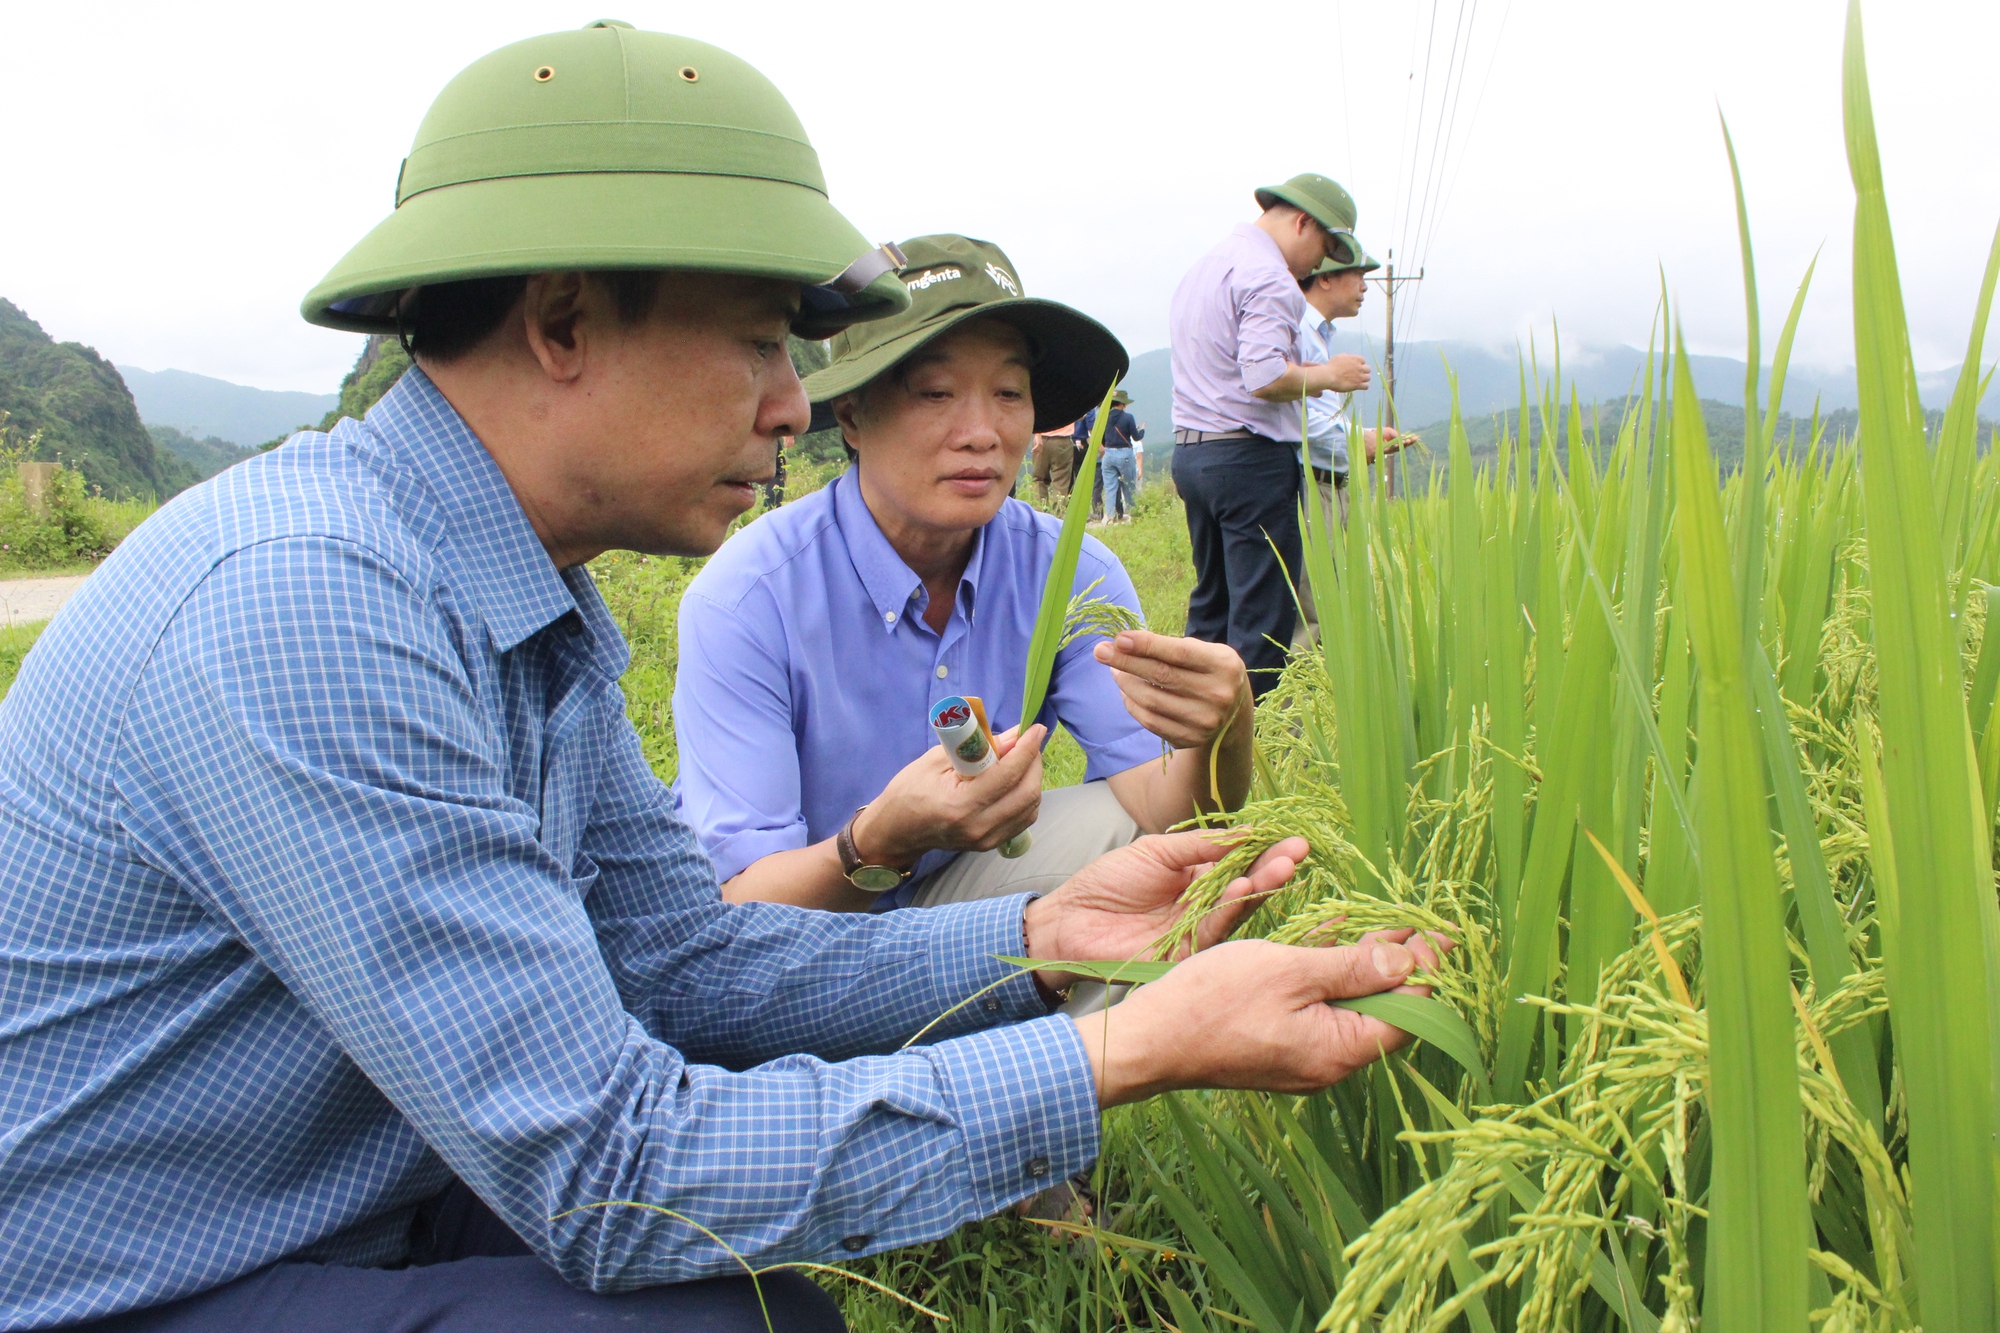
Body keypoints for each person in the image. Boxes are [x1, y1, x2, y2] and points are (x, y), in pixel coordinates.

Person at [0, 26, 1445, 1333]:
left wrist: (1042, 940)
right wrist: (1119, 1053)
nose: (785, 404)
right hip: (145, 1266)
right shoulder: (312, 609)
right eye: (761, 340)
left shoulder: (525, 597)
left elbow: (678, 960)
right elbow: (609, 1166)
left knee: (754, 1297)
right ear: (563, 323)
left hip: (347, 1179)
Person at [674, 234, 1252, 925]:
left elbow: (1168, 813)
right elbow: (737, 907)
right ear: (855, 416)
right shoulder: (749, 597)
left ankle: (1094, 1035)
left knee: (1168, 864)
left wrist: (1226, 728)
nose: (981, 431)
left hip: (961, 891)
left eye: (1009, 391)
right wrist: (881, 838)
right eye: (936, 392)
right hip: (807, 923)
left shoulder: (1071, 576)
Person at [1168, 173, 1373, 698]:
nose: (1315, 265)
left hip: (1193, 455)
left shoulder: (1205, 267)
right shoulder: (1270, 277)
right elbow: (1263, 376)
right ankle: (1247, 751)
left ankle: (1191, 738)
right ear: (1302, 222)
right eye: (1324, 247)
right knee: (1263, 616)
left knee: (1212, 603)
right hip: (1249, 460)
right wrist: (1331, 375)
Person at [1080, 388, 1143, 524]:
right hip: (1124, 454)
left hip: (1108, 455)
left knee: (1110, 487)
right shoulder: (1128, 417)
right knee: (1128, 485)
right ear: (1122, 404)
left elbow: (1100, 438)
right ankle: (1133, 513)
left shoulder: (1104, 417)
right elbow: (1136, 437)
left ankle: (1109, 516)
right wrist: (1142, 431)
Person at [1029, 418, 1076, 503]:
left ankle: (1039, 511)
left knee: (1039, 479)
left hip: (1041, 440)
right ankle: (1058, 512)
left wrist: (1037, 435)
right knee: (1061, 481)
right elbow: (1081, 415)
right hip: (1063, 441)